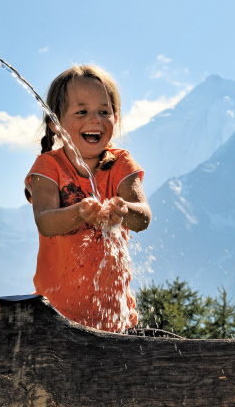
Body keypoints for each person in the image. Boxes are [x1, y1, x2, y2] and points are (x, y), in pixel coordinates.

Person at [24, 65, 151, 332]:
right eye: (81, 111)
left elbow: (143, 218)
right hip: (57, 318)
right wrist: (79, 213)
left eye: (104, 112)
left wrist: (123, 209)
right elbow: (45, 222)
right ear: (55, 124)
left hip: (115, 318)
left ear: (115, 118)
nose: (95, 119)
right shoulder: (48, 167)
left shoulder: (120, 164)